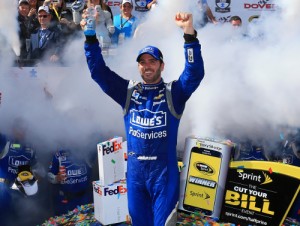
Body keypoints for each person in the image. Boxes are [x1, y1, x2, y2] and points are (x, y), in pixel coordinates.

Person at [82, 11, 205, 226]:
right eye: (143, 62)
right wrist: (90, 39)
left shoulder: (173, 93)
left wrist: (189, 35)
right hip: (136, 177)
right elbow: (99, 73)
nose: (147, 65)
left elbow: (194, 73)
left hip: (164, 177)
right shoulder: (128, 91)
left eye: (152, 61)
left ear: (161, 65)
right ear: (138, 66)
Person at [47, 148, 93, 215]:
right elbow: (49, 175)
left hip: (84, 198)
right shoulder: (58, 155)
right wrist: (56, 178)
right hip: (65, 200)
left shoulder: (86, 150)